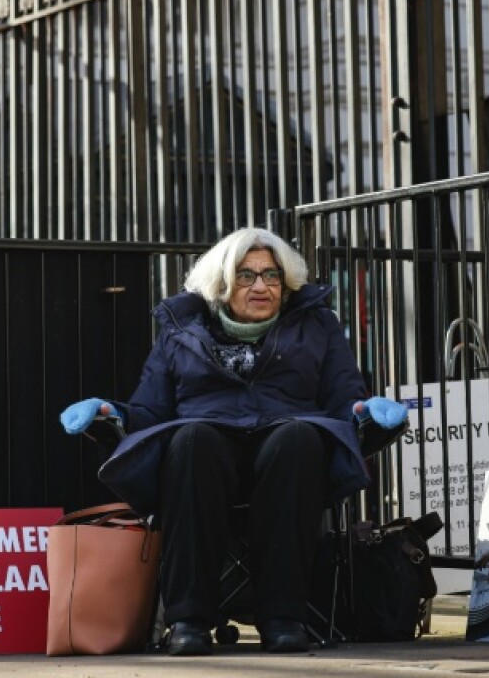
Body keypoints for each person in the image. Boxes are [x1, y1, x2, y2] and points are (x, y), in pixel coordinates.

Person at [58, 227, 407, 656]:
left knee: (298, 438)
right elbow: (151, 410)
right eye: (246, 276)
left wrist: (363, 412)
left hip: (286, 447)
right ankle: (188, 620)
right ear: (222, 284)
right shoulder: (180, 327)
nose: (261, 286)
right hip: (203, 454)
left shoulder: (317, 324)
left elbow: (342, 398)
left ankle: (284, 618)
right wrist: (114, 414)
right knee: (191, 440)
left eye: (271, 275)